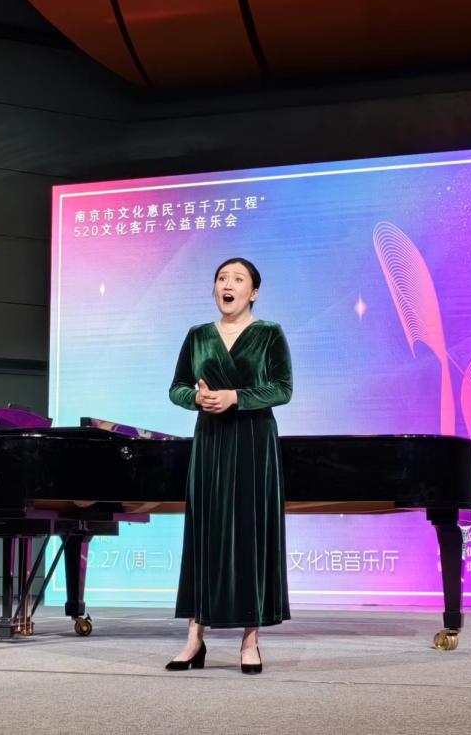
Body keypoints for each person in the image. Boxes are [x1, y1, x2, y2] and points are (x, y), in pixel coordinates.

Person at [166, 257, 292, 674]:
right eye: (222, 278)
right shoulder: (198, 336)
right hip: (210, 441)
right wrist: (196, 398)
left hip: (254, 441)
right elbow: (177, 388)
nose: (228, 284)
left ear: (253, 292)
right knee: (204, 532)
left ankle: (251, 640)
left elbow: (283, 389)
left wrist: (236, 397)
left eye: (238, 279)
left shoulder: (269, 333)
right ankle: (194, 638)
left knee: (251, 533)